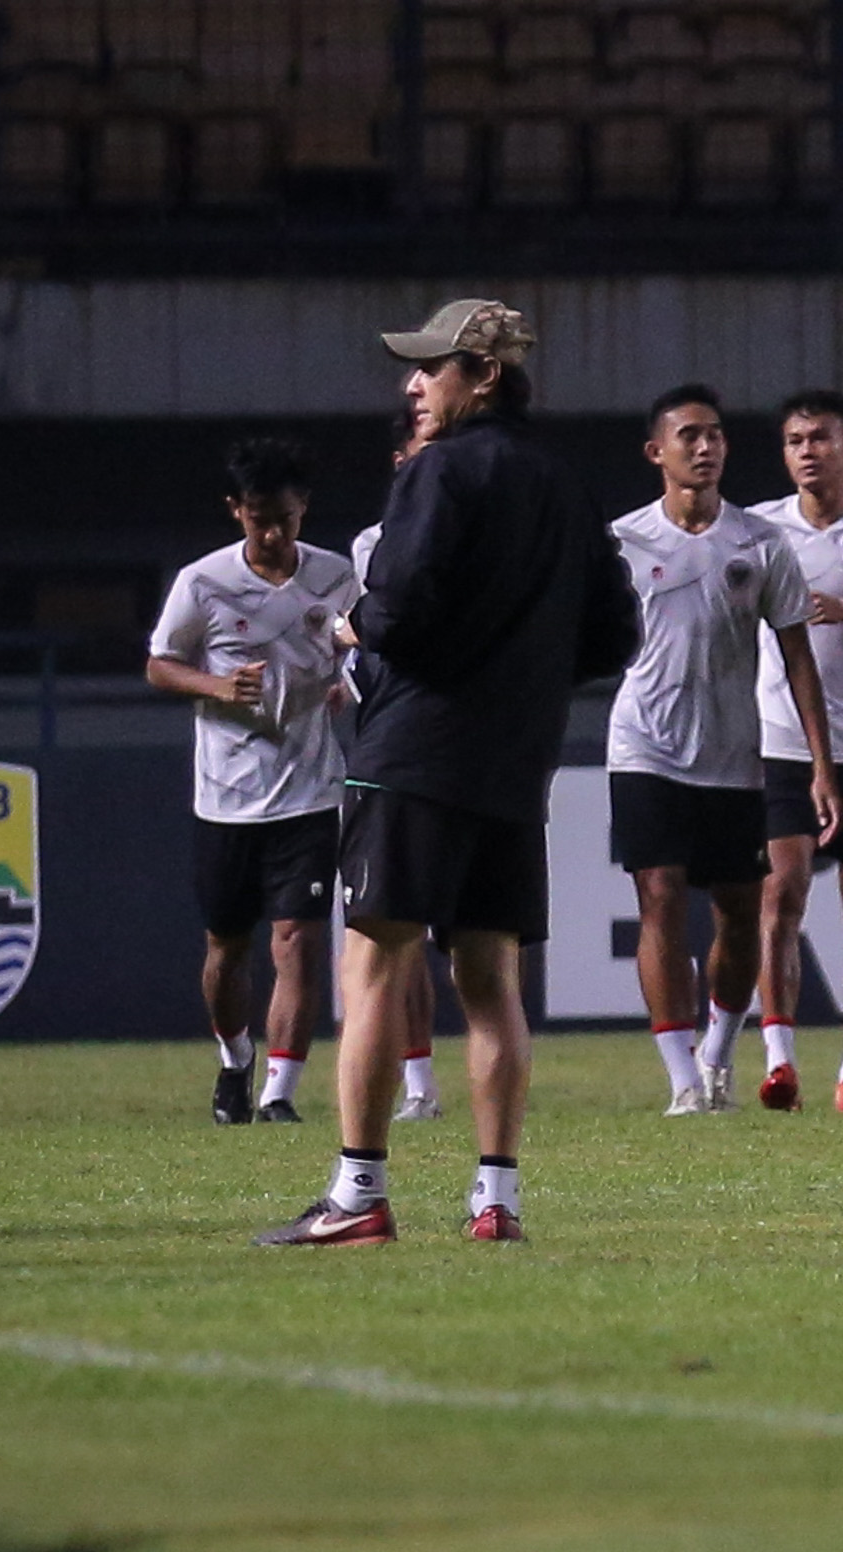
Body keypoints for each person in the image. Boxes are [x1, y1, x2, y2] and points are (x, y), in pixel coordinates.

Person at [259, 298, 636, 1244]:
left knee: (375, 962)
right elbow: (617, 631)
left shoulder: (438, 471)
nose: (412, 385)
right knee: (491, 978)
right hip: (516, 759)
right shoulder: (564, 482)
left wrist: (361, 626)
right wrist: (525, 673)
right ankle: (496, 1201)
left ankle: (358, 1194)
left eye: (433, 368)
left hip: (414, 752)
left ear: (485, 377)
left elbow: (406, 606)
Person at [608, 383, 843, 1117]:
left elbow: (797, 654)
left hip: (736, 754)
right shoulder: (623, 541)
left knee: (742, 914)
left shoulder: (760, 543)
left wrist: (821, 764)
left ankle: (718, 1052)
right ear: (657, 452)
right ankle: (681, 1077)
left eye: (714, 434)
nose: (705, 447)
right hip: (644, 745)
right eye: (689, 436)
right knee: (660, 898)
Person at [150, 437, 355, 1128]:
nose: (272, 533)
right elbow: (159, 663)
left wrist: (345, 687)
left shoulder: (335, 577)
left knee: (296, 938)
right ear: (236, 509)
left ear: (305, 510)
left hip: (310, 789)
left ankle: (279, 1094)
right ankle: (236, 1060)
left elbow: (361, 649)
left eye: (287, 518)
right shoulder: (203, 582)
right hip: (228, 797)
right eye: (258, 517)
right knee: (226, 949)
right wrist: (215, 683)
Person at [747, 389, 843, 1113]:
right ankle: (778, 1059)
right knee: (780, 891)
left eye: (821, 437)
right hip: (780, 740)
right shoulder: (759, 530)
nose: (808, 450)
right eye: (795, 440)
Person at [343, 425, 445, 1125]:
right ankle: (420, 1085)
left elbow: (378, 626)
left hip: (452, 746)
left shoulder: (482, 536)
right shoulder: (370, 544)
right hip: (396, 743)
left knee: (474, 949)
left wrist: (356, 629)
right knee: (393, 933)